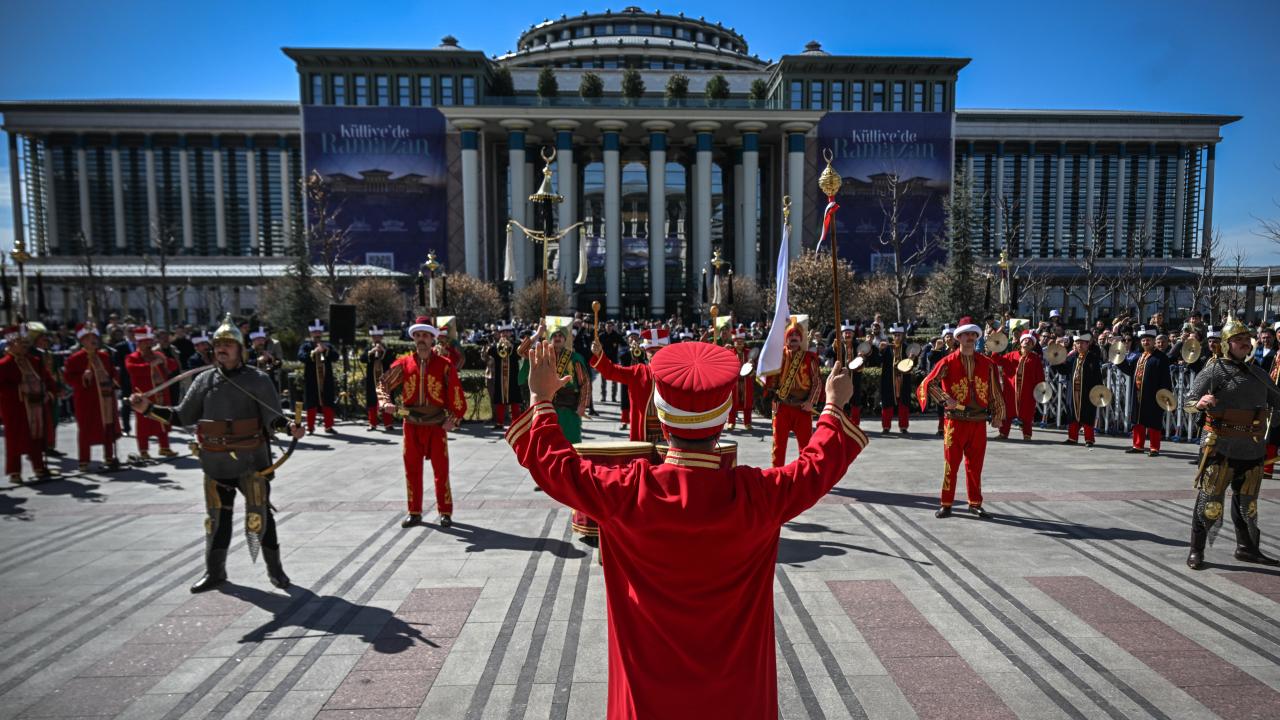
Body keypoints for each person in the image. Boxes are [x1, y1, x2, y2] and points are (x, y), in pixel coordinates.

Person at [506, 339, 867, 720]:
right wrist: (833, 405)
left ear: (661, 421)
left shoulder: (628, 492)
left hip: (648, 699)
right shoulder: (758, 496)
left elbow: (556, 465)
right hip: (737, 698)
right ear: (725, 420)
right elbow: (816, 465)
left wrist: (540, 399)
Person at [130, 314, 303, 592]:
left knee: (262, 517)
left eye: (228, 343)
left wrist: (289, 428)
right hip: (215, 462)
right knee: (216, 520)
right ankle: (215, 572)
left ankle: (276, 571)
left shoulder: (258, 380)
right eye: (218, 343)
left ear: (240, 348)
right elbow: (182, 416)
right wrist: (148, 410)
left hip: (251, 461)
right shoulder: (203, 381)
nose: (222, 348)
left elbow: (273, 417)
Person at [1184, 318, 1280, 569]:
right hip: (1220, 446)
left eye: (1246, 340)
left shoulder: (1259, 374)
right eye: (1238, 340)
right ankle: (1196, 550)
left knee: (1248, 504)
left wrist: (1271, 426)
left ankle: (1247, 548)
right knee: (1210, 502)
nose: (1244, 344)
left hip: (1252, 447)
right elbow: (1188, 402)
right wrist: (1201, 402)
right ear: (1226, 344)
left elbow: (1277, 401)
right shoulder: (1214, 370)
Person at [377, 317, 467, 528]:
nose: (421, 340)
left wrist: (453, 419)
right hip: (412, 424)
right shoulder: (404, 364)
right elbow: (383, 383)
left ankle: (445, 512)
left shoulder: (444, 365)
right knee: (412, 469)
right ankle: (414, 511)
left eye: (425, 336)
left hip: (436, 425)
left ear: (432, 339)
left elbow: (456, 392)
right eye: (417, 336)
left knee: (441, 470)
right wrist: (385, 402)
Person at [918, 321, 1006, 518]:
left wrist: (999, 414)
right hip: (955, 422)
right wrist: (944, 398)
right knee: (951, 464)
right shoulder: (947, 362)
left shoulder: (987, 363)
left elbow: (995, 391)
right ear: (958, 338)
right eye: (966, 334)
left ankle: (975, 503)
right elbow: (927, 383)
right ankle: (946, 503)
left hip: (978, 422)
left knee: (975, 466)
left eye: (973, 335)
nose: (970, 338)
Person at [0, 324, 58, 483]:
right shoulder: (4, 364)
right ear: (11, 344)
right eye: (21, 343)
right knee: (14, 440)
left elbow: (48, 381)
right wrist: (20, 388)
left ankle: (39, 467)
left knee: (37, 437)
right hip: (16, 408)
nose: (26, 346)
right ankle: (14, 473)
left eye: (27, 343)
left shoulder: (35, 361)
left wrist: (49, 393)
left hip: (37, 406)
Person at [63, 323, 123, 473]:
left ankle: (109, 457)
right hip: (87, 400)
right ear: (82, 340)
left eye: (94, 337)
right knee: (85, 429)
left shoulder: (104, 356)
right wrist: (83, 377)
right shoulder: (75, 359)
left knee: (108, 426)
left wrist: (115, 376)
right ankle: (84, 460)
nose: (93, 340)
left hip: (106, 398)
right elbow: (69, 378)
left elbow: (112, 374)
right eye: (89, 338)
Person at [761, 319, 821, 468]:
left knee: (806, 448)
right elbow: (770, 382)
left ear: (801, 339)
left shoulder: (809, 357)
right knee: (778, 447)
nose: (793, 338)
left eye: (796, 336)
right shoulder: (777, 357)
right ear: (786, 338)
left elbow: (817, 382)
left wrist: (810, 402)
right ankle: (777, 476)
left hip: (802, 408)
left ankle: (805, 477)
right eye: (790, 335)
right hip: (782, 408)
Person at [591, 327, 666, 442]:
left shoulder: (673, 373)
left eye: (658, 351)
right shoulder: (638, 372)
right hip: (644, 431)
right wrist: (600, 354)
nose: (655, 354)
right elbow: (611, 371)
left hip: (667, 432)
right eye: (651, 351)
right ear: (646, 353)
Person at [124, 325, 180, 460]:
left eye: (150, 342)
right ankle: (143, 451)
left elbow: (173, 366)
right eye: (145, 342)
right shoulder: (132, 357)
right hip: (144, 395)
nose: (149, 345)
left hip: (162, 393)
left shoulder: (158, 354)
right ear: (139, 343)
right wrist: (151, 365)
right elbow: (132, 369)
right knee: (144, 424)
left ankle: (165, 448)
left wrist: (164, 359)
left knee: (163, 419)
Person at [1119, 326, 1172, 457]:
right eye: (1143, 340)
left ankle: (1154, 448)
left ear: (1154, 341)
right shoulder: (1139, 356)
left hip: (1154, 395)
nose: (1145, 342)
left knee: (1154, 421)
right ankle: (1138, 445)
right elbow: (1130, 370)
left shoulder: (1161, 358)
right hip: (1137, 393)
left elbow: (1166, 378)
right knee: (1137, 420)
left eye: (1148, 340)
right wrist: (1119, 360)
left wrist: (1165, 395)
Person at [1053, 332, 1104, 446]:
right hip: (1073, 390)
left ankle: (1089, 439)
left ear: (1088, 344)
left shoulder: (1093, 358)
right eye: (1077, 343)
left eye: (1082, 343)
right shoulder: (1072, 357)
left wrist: (1098, 390)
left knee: (1088, 414)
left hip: (1087, 391)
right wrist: (1055, 361)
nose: (1079, 345)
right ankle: (1072, 438)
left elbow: (1097, 376)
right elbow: (1064, 370)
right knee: (1072, 413)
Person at [994, 332, 1046, 441]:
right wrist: (995, 349)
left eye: (1030, 341)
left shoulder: (1035, 359)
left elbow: (1040, 376)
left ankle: (1027, 434)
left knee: (1027, 413)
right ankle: (1003, 433)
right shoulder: (1011, 355)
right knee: (1007, 412)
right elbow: (997, 360)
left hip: (1028, 391)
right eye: (1025, 340)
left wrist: (1040, 390)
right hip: (1011, 390)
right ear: (1020, 342)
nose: (1027, 342)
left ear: (1033, 345)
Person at [298, 318, 338, 434]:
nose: (317, 334)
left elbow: (336, 357)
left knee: (328, 401)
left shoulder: (328, 345)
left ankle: (329, 426)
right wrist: (313, 353)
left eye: (319, 332)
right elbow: (301, 357)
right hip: (311, 379)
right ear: (311, 333)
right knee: (311, 402)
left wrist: (326, 350)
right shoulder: (306, 346)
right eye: (315, 332)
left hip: (326, 378)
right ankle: (310, 427)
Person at [874, 324, 914, 435]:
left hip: (903, 380)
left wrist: (912, 358)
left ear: (902, 336)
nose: (897, 337)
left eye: (899, 335)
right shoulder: (886, 348)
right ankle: (886, 426)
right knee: (887, 404)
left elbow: (913, 365)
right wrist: (880, 351)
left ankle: (903, 426)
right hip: (888, 380)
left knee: (904, 404)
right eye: (895, 335)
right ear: (892, 336)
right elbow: (877, 361)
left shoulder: (907, 348)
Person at [486, 323, 522, 430]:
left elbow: (520, 353)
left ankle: (516, 423)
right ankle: (499, 423)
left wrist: (510, 345)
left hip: (513, 376)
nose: (505, 334)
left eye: (507, 332)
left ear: (511, 333)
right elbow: (490, 352)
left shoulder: (516, 344)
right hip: (500, 377)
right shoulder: (497, 345)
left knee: (514, 400)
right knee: (499, 400)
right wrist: (496, 343)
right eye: (503, 332)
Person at [363, 326, 394, 431]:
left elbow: (392, 360)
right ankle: (372, 423)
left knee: (386, 399)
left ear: (381, 336)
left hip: (385, 380)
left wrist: (383, 352)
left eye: (378, 336)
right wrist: (371, 352)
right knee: (372, 401)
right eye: (374, 336)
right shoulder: (368, 348)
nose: (376, 338)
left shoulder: (387, 348)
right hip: (372, 380)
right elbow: (362, 359)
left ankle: (388, 424)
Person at [728, 328, 757, 430]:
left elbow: (755, 367)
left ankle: (747, 423)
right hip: (734, 382)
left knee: (747, 403)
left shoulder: (749, 353)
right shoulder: (729, 352)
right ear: (734, 342)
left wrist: (752, 366)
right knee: (732, 403)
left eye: (741, 342)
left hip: (746, 381)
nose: (740, 344)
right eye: (737, 342)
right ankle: (731, 422)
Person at [597, 319, 624, 403]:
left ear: (613, 327)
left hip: (614, 361)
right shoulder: (601, 336)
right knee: (603, 380)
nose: (609, 328)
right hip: (604, 361)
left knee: (614, 380)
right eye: (607, 326)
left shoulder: (616, 336)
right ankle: (603, 396)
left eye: (610, 326)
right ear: (605, 327)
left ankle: (613, 397)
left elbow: (624, 344)